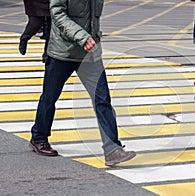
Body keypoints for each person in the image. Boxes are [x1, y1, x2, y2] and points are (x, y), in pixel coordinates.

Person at [29, 0, 136, 167]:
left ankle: (112, 149)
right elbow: (57, 13)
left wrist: (91, 38)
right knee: (49, 98)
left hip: (90, 54)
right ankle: (39, 137)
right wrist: (82, 37)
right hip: (63, 52)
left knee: (102, 99)